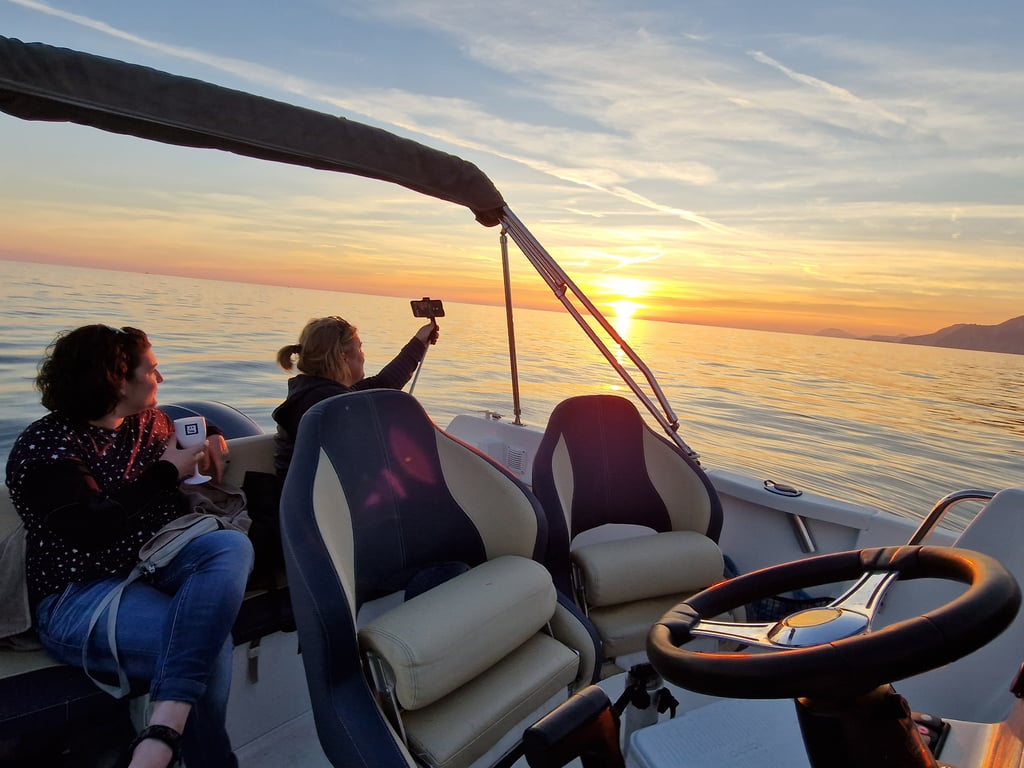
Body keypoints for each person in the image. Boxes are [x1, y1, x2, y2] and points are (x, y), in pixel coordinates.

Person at [4, 324, 253, 768]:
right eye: (152, 371)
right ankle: (191, 751)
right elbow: (90, 528)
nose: (161, 379)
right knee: (206, 648)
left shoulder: (143, 421)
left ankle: (163, 737)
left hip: (154, 558)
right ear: (118, 380)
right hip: (79, 594)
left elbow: (180, 418)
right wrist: (164, 473)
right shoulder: (45, 447)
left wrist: (212, 430)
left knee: (231, 546)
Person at [272, 315, 439, 477]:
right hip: (318, 503)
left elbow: (381, 383)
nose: (363, 355)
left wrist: (419, 343)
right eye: (359, 348)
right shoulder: (335, 407)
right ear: (343, 357)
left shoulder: (311, 392)